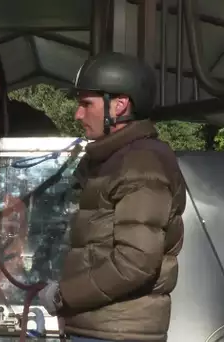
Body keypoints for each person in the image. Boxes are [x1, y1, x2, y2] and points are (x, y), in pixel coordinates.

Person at [38, 52, 186, 341]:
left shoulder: (142, 165)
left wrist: (63, 295)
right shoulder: (112, 159)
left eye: (86, 104)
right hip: (98, 329)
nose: (77, 114)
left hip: (115, 333)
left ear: (119, 105)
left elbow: (135, 262)